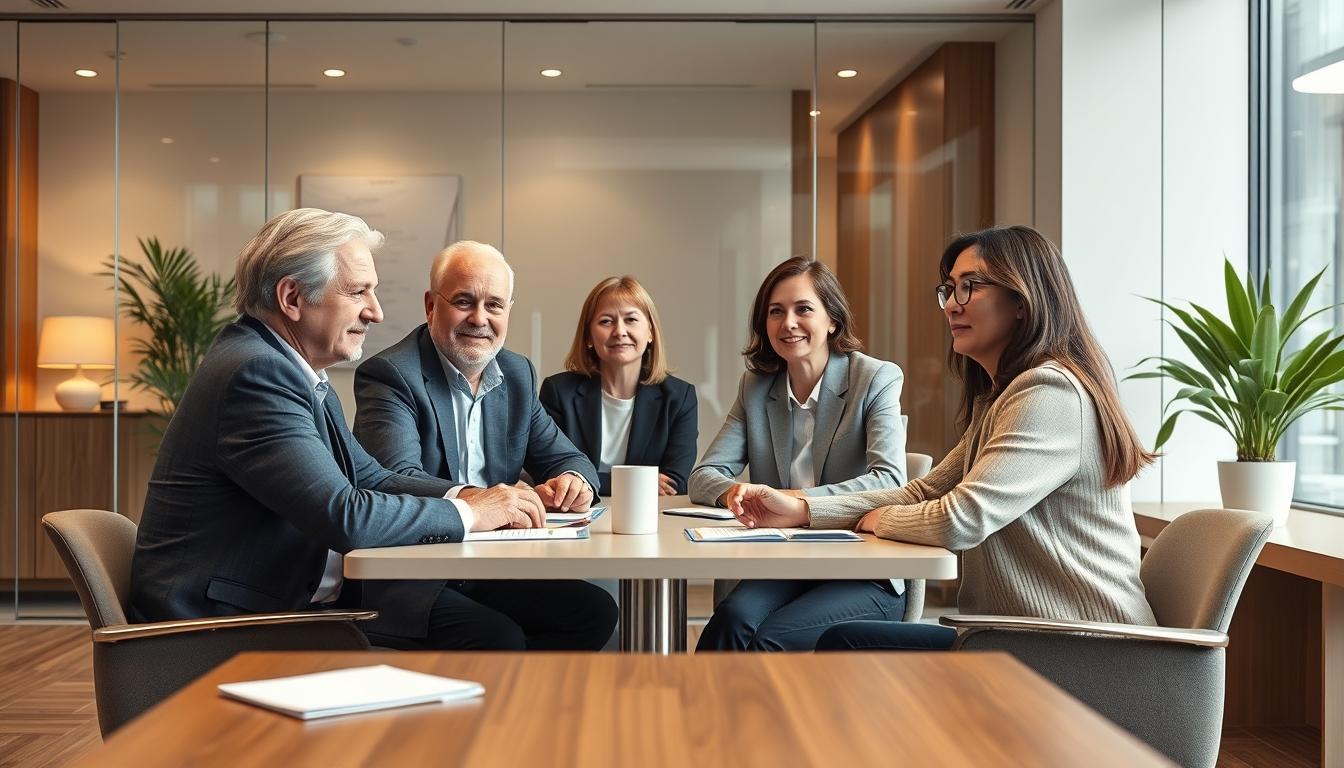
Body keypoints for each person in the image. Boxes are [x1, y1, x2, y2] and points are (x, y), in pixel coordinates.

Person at [723, 226, 1158, 651]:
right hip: (1014, 637)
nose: (951, 304)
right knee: (835, 639)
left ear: (1022, 301)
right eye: (949, 289)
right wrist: (801, 510)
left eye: (970, 287)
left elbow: (961, 518)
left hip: (1080, 649)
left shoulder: (1050, 392)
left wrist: (879, 519)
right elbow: (925, 491)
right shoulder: (1004, 397)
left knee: (818, 643)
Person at [129, 208, 537, 630]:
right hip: (223, 627)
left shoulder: (294, 370)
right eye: (359, 292)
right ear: (292, 299)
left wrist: (469, 496)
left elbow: (372, 479)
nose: (375, 312)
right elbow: (347, 516)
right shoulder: (256, 374)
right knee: (492, 634)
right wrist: (473, 515)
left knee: (524, 620)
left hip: (284, 597)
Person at [352, 240, 616, 651]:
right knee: (498, 638)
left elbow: (566, 456)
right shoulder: (390, 374)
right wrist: (482, 502)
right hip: (416, 573)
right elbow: (393, 480)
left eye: (494, 305)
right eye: (463, 301)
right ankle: (503, 711)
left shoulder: (516, 373)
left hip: (492, 564)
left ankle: (524, 710)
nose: (480, 319)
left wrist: (573, 480)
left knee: (594, 611)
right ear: (430, 305)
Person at [687, 256, 908, 651]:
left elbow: (890, 481)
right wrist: (733, 492)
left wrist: (796, 501)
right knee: (731, 622)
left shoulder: (874, 378)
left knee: (770, 639)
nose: (787, 323)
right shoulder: (756, 387)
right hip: (786, 561)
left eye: (803, 309)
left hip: (863, 569)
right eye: (775, 312)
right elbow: (704, 474)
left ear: (832, 320)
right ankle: (698, 714)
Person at [539, 276, 698, 497]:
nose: (619, 331)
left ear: (650, 332)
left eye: (631, 320)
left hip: (650, 519)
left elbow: (675, 483)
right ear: (589, 337)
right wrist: (637, 484)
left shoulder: (679, 397)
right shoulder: (558, 392)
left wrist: (588, 480)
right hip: (578, 514)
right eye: (606, 321)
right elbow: (551, 471)